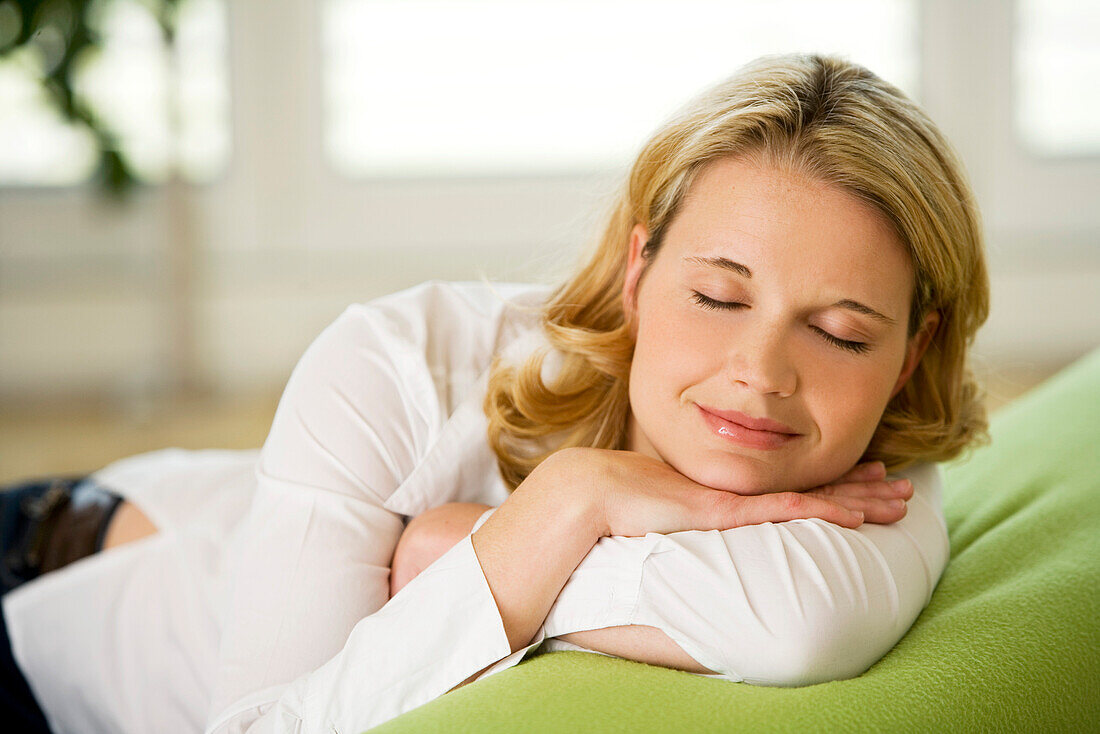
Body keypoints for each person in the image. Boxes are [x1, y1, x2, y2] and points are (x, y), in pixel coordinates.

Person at [0, 51, 990, 734]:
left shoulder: (876, 478)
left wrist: (456, 549)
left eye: (838, 330)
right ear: (638, 273)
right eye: (717, 294)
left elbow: (796, 624)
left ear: (908, 351)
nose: (763, 372)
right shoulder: (399, 361)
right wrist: (571, 498)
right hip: (59, 589)